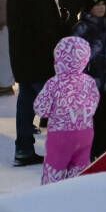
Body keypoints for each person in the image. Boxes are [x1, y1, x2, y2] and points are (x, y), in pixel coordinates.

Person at [8, 0, 63, 166]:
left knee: (25, 103)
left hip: (21, 57)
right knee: (57, 106)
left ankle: (23, 148)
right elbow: (47, 28)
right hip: (41, 58)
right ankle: (62, 150)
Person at [33, 36, 98, 184]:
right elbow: (93, 103)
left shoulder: (54, 83)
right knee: (79, 169)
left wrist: (53, 113)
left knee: (55, 169)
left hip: (60, 135)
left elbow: (40, 108)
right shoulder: (89, 82)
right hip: (84, 133)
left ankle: (51, 194)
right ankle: (75, 194)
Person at [71, 0, 106, 159]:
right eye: (97, 5)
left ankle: (104, 153)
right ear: (88, 7)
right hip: (89, 84)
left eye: (103, 4)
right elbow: (74, 59)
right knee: (90, 121)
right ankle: (88, 154)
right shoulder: (81, 28)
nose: (102, 8)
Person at [0, 0, 17, 96]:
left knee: (4, 53)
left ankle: (5, 84)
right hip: (5, 20)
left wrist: (2, 19)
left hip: (4, 22)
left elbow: (4, 0)